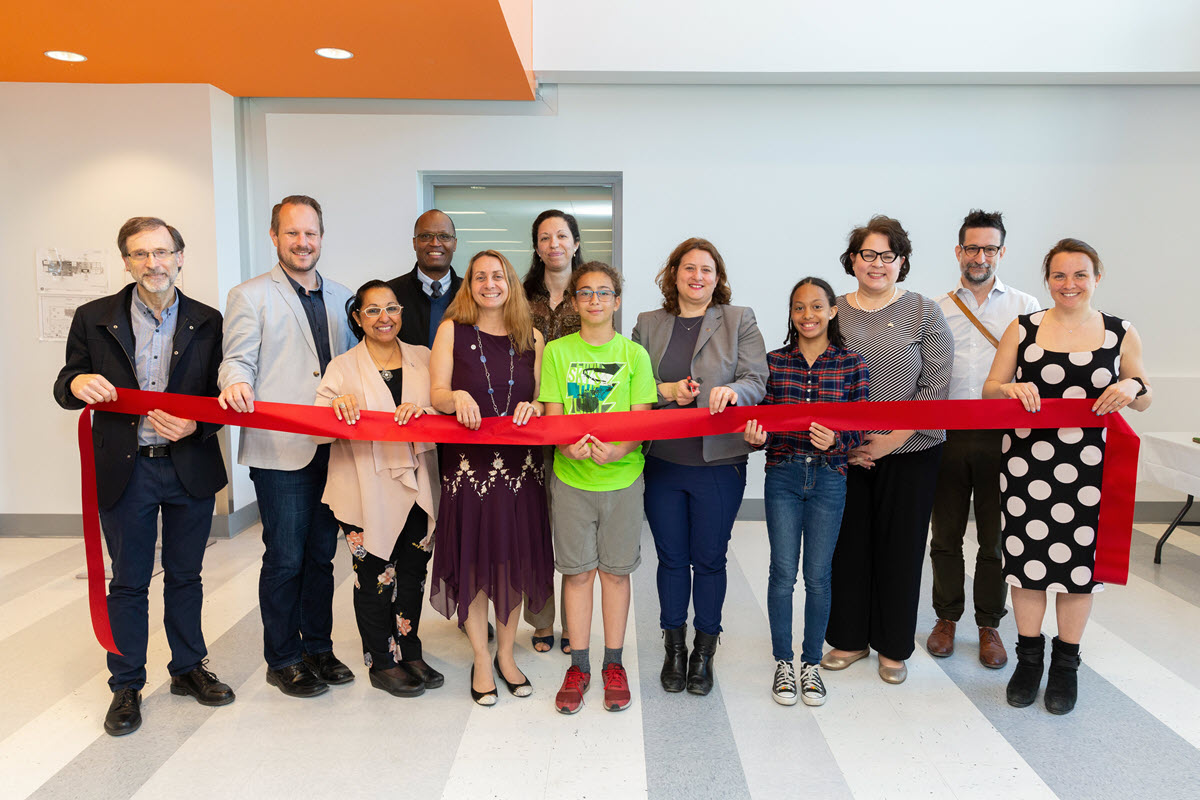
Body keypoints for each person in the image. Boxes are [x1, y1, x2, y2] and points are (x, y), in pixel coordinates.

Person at [53, 216, 232, 736]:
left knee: (186, 576)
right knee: (129, 582)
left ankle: (188, 668)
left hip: (187, 470)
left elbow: (224, 400)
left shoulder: (209, 320)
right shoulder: (93, 317)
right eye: (141, 254)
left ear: (180, 256)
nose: (153, 263)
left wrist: (198, 422)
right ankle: (126, 684)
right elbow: (66, 384)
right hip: (125, 471)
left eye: (162, 252)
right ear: (126, 261)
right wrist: (79, 380)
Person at [984, 238, 1151, 715]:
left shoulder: (1120, 332)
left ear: (1097, 278)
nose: (1069, 284)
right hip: (1026, 464)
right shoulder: (1024, 329)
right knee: (1028, 567)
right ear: (1047, 280)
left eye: (1080, 274)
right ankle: (1029, 661)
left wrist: (1129, 385)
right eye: (1059, 275)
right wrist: (1010, 388)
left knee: (1080, 573)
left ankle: (1066, 666)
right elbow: (991, 389)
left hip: (1092, 468)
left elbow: (1144, 395)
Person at [218, 195, 357, 698]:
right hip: (281, 450)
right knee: (285, 556)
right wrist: (234, 384)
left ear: (322, 237)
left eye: (311, 233)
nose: (303, 242)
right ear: (274, 237)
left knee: (323, 556)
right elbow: (236, 359)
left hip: (336, 447)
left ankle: (318, 646)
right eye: (292, 233)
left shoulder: (344, 297)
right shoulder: (249, 295)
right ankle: (283, 657)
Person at [631, 237, 768, 696]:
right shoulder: (648, 324)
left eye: (706, 270)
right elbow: (633, 383)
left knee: (709, 559)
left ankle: (705, 650)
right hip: (663, 461)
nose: (697, 277)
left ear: (717, 277)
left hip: (719, 462)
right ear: (674, 275)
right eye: (688, 268)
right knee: (670, 558)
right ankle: (673, 646)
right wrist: (668, 390)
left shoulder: (737, 319)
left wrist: (736, 394)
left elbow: (756, 378)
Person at [822, 215, 952, 685]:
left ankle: (894, 645)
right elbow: (820, 379)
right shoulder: (832, 310)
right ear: (852, 260)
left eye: (888, 255)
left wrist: (894, 437)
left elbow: (935, 384)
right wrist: (848, 444)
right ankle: (849, 638)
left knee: (900, 548)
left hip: (913, 449)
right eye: (867, 254)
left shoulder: (924, 311)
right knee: (847, 546)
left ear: (902, 261)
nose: (877, 264)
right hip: (847, 453)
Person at [427, 250, 554, 706]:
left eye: (497, 276)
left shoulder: (532, 338)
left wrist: (536, 407)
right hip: (469, 470)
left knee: (512, 561)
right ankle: (481, 655)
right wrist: (454, 395)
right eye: (479, 276)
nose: (489, 283)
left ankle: (506, 653)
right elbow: (437, 393)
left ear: (511, 282)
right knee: (477, 562)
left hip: (521, 472)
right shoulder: (451, 331)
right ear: (469, 284)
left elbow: (545, 400)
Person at [744, 277, 869, 707]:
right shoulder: (773, 363)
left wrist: (837, 441)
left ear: (833, 311)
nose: (808, 315)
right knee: (782, 573)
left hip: (831, 479)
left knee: (818, 577)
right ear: (791, 314)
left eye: (818, 307)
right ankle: (783, 662)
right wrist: (754, 436)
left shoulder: (851, 364)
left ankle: (811, 663)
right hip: (782, 475)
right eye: (799, 307)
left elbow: (860, 428)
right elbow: (757, 420)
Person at [314, 281, 442, 697]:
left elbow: (444, 408)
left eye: (391, 308)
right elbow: (317, 427)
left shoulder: (424, 358)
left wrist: (425, 411)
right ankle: (381, 660)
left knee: (412, 574)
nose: (384, 317)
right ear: (357, 318)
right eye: (372, 310)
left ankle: (409, 648)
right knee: (374, 576)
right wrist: (336, 409)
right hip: (364, 488)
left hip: (417, 484)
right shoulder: (342, 366)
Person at [540, 262, 657, 714]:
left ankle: (613, 663)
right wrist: (568, 448)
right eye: (585, 293)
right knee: (577, 573)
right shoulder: (557, 352)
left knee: (615, 573)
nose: (594, 300)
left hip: (623, 479)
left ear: (617, 300)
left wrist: (620, 448)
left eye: (603, 293)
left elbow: (641, 419)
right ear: (573, 302)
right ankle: (580, 665)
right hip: (571, 481)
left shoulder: (634, 355)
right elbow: (553, 415)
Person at [927, 210, 1040, 669]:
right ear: (958, 251)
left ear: (1001, 253)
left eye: (988, 248)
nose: (979, 256)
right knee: (945, 535)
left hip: (1005, 438)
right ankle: (946, 618)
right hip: (946, 436)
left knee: (995, 539)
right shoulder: (934, 308)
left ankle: (990, 624)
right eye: (971, 248)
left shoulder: (1026, 306)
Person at [521, 209, 585, 653]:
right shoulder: (519, 298)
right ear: (537, 247)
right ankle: (541, 621)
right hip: (527, 425)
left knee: (570, 528)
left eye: (562, 235)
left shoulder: (593, 293)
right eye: (545, 237)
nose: (554, 244)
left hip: (577, 425)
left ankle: (574, 624)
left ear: (576, 243)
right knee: (533, 527)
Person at [388, 209, 463, 349]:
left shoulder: (472, 293)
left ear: (454, 243)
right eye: (426, 236)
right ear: (414, 243)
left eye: (444, 236)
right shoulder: (390, 294)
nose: (435, 243)